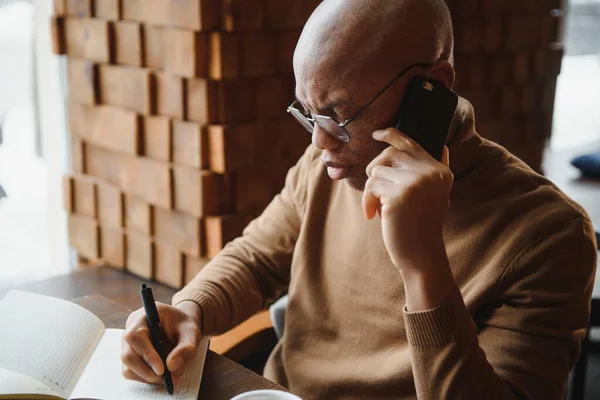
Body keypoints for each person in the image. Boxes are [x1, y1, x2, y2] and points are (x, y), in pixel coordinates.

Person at [120, 0, 598, 398]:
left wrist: (423, 265)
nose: (319, 143)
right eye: (307, 113)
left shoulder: (550, 236)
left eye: (338, 115)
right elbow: (258, 258)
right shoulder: (331, 165)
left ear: (434, 86)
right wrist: (191, 309)